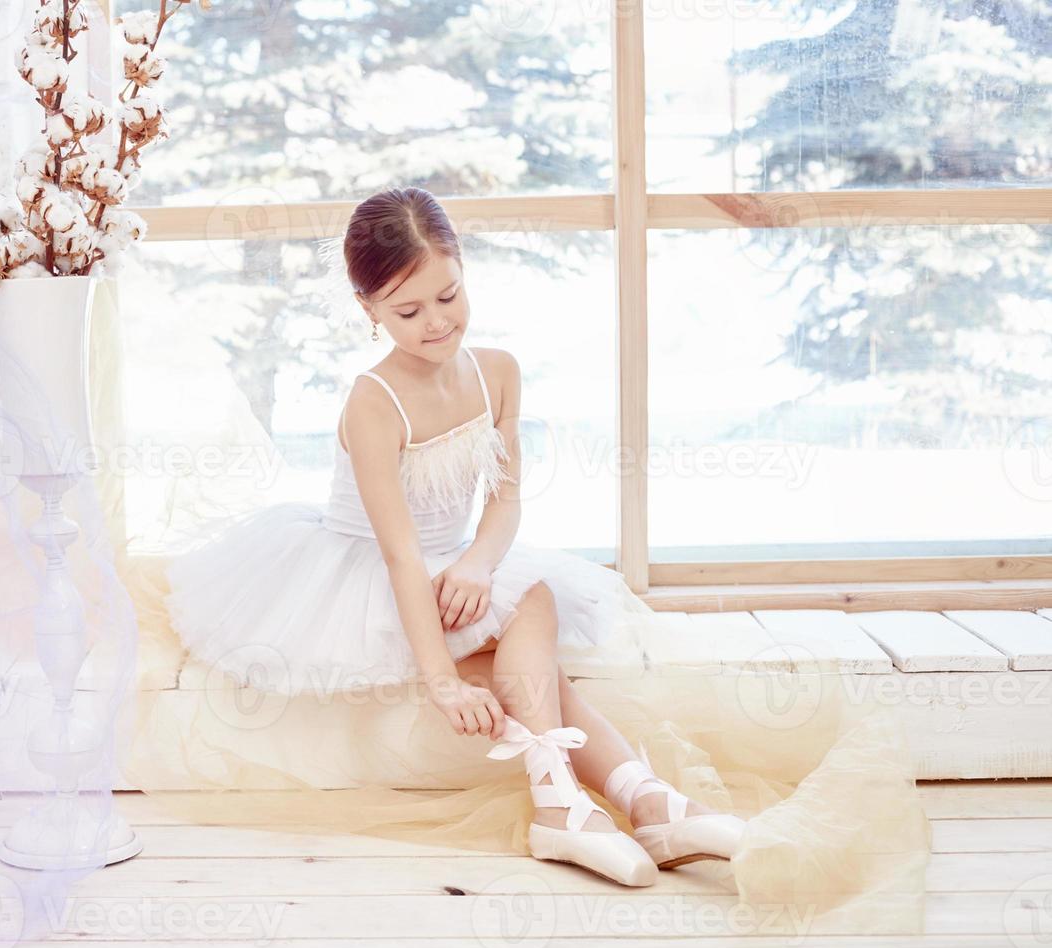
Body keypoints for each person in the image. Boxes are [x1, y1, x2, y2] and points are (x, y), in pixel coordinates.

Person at [160, 186, 746, 887]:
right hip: (370, 570)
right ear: (368, 310)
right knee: (542, 669)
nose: (437, 324)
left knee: (531, 595)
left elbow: (506, 499)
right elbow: (402, 555)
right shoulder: (373, 400)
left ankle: (607, 804)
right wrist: (441, 682)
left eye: (449, 296)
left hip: (459, 562)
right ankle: (627, 800)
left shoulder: (497, 372)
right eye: (407, 312)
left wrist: (476, 563)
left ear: (463, 269)